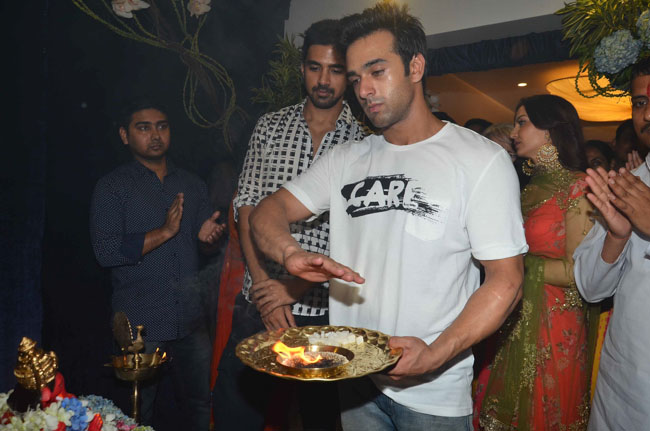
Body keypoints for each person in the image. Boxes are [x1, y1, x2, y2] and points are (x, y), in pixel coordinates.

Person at [249, 4, 528, 429]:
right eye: (355, 78)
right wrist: (290, 254)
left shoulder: (480, 160)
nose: (364, 90)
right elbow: (267, 211)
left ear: (415, 66)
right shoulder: (346, 159)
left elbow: (506, 281)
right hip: (354, 379)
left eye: (377, 71)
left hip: (432, 392)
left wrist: (435, 354)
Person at [211, 19, 366, 431]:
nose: (324, 80)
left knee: (322, 420)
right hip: (259, 301)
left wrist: (292, 289)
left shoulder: (362, 143)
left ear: (348, 75)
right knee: (235, 413)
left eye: (335, 70)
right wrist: (266, 288)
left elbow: (357, 237)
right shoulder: (270, 127)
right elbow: (247, 208)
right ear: (302, 69)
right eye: (315, 67)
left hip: (323, 311)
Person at [90, 99, 224, 430]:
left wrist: (209, 239)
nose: (155, 135)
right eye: (143, 127)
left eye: (162, 127)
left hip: (190, 319)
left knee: (202, 404)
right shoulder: (113, 187)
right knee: (135, 413)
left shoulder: (191, 184)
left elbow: (206, 248)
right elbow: (106, 251)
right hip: (140, 323)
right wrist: (165, 232)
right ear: (125, 135)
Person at [478, 95, 599, 430]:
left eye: (522, 122)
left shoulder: (578, 186)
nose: (514, 132)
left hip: (554, 322)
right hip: (516, 311)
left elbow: (577, 272)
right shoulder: (530, 187)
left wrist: (515, 266)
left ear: (550, 130)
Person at [573, 57, 650, 430]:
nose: (647, 114)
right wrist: (617, 237)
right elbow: (590, 288)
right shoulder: (628, 184)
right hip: (623, 389)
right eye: (640, 102)